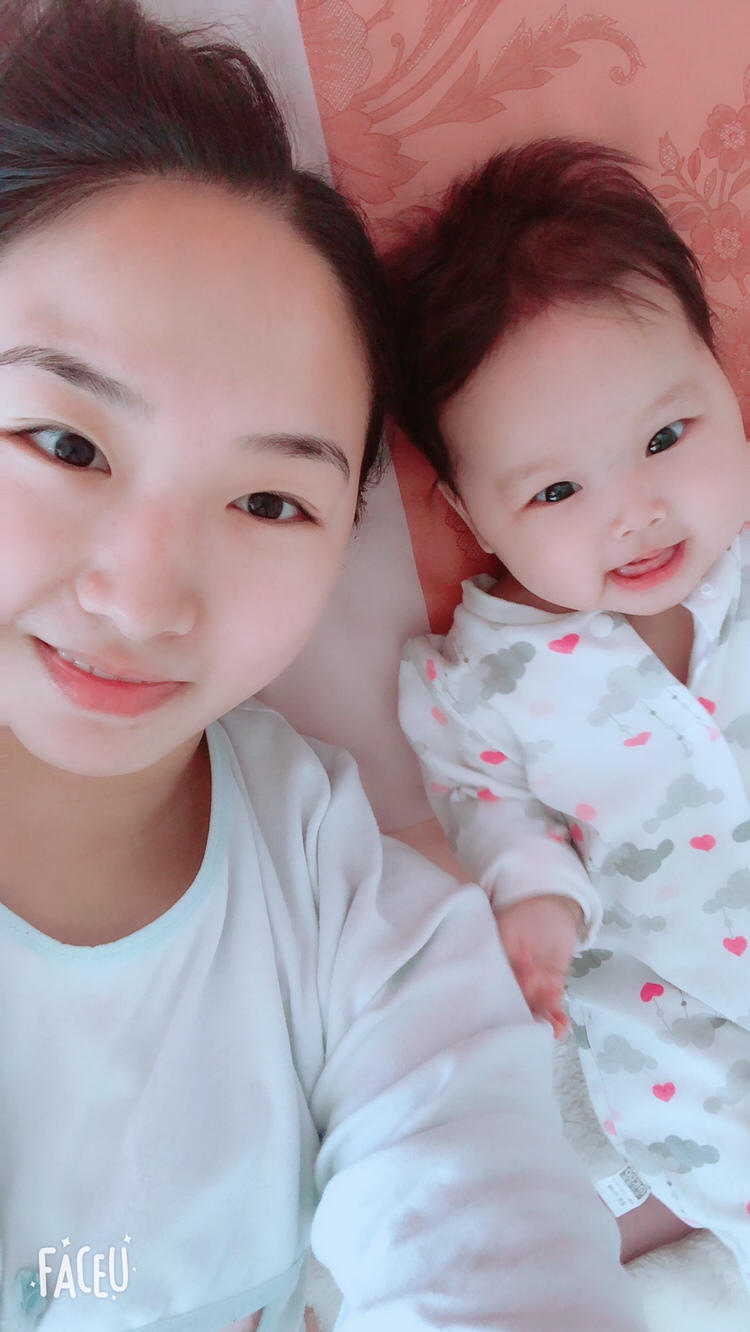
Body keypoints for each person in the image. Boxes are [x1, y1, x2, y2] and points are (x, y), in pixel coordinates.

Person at [0, 7, 648, 1330]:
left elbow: (489, 1229)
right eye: (65, 446)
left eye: (269, 503)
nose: (144, 599)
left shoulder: (351, 903)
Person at [395, 139, 750, 1282]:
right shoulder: (485, 680)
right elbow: (492, 810)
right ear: (472, 518)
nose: (633, 512)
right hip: (680, 1008)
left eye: (665, 439)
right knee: (705, 1127)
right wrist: (537, 909)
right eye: (556, 490)